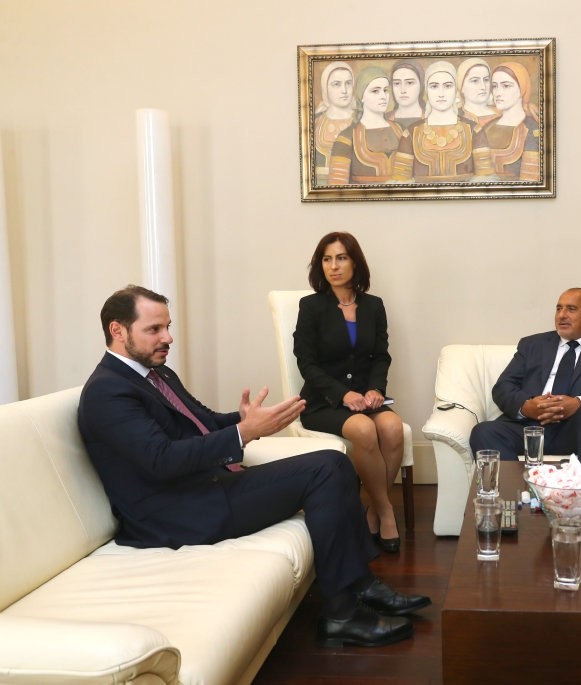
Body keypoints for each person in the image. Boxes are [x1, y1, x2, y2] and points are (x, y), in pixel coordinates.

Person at [78, 285, 430, 648]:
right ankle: (342, 613)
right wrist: (243, 434)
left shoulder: (156, 373)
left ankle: (360, 585)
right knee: (326, 468)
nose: (168, 338)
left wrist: (244, 419)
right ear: (117, 330)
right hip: (178, 511)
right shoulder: (108, 391)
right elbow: (161, 461)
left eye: (168, 327)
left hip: (206, 487)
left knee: (334, 463)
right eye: (154, 330)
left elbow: (204, 420)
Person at [294, 232, 405, 553]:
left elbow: (381, 356)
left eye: (341, 258)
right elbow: (307, 362)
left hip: (366, 398)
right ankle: (385, 513)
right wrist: (343, 394)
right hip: (323, 401)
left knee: (392, 427)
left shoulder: (374, 306)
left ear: (355, 262)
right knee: (364, 430)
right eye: (327, 259)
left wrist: (375, 389)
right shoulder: (311, 306)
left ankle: (370, 508)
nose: (334, 266)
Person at [470, 288, 581, 461]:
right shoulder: (532, 345)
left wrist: (579, 402)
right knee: (483, 432)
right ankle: (521, 486)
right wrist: (527, 407)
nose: (562, 315)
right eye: (559, 309)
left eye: (571, 309)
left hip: (577, 430)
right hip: (529, 427)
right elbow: (503, 387)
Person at [390, 60, 496, 183]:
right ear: (426, 91)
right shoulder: (410, 133)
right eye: (434, 86)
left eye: (447, 86)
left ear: (456, 89)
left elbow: (485, 181)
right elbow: (400, 184)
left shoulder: (475, 131)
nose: (441, 93)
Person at [328, 67, 405, 184]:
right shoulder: (347, 138)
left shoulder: (401, 131)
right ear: (362, 96)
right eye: (375, 91)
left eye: (385, 90)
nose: (383, 96)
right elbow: (337, 190)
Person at [483, 62, 541, 182]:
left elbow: (530, 183)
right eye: (494, 86)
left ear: (522, 88)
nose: (498, 93)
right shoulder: (486, 127)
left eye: (506, 86)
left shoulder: (532, 129)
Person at [313, 61, 355, 184]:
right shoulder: (315, 123)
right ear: (325, 88)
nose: (344, 90)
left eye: (348, 83)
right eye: (336, 84)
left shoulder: (364, 120)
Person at [456, 57, 499, 130]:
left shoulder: (503, 114)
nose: (483, 87)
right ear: (461, 86)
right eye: (475, 81)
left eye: (486, 80)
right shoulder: (454, 117)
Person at [387, 60, 425, 130]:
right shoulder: (383, 120)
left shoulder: (432, 118)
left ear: (421, 85)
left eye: (410, 83)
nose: (403, 90)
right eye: (397, 83)